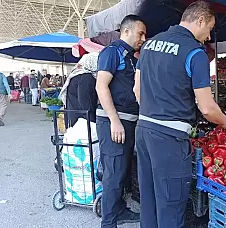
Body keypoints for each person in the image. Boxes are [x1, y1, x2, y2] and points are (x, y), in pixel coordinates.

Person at [133, 2, 226, 227]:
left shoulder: (149, 45)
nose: (208, 36)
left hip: (143, 131)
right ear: (200, 20)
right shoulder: (194, 52)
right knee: (170, 205)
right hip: (170, 139)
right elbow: (207, 108)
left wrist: (154, 113)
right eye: (209, 28)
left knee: (149, 201)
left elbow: (137, 90)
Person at [95, 15, 146, 228]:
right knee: (114, 174)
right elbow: (101, 86)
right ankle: (108, 223)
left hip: (129, 122)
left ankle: (119, 210)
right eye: (140, 33)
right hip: (114, 123)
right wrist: (114, 120)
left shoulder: (132, 58)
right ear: (126, 31)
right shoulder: (111, 52)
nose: (143, 38)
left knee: (123, 172)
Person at [60, 53, 99, 127]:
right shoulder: (86, 77)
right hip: (84, 122)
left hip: (75, 118)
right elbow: (86, 104)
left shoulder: (75, 75)